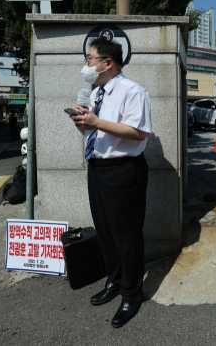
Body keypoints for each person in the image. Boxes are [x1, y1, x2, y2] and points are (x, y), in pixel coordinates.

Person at [71, 37, 151, 329]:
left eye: (90, 59)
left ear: (107, 62)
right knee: (105, 232)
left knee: (127, 236)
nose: (86, 65)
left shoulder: (133, 91)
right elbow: (97, 133)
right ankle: (115, 281)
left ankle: (132, 294)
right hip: (98, 168)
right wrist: (84, 123)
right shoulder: (96, 94)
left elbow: (138, 133)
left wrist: (96, 123)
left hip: (123, 170)